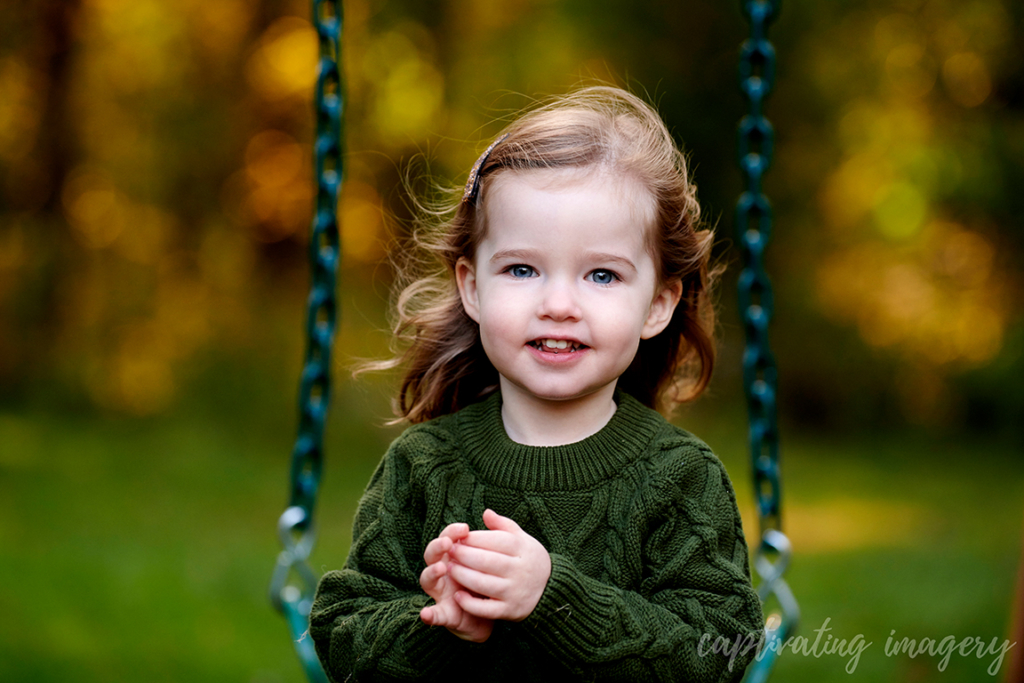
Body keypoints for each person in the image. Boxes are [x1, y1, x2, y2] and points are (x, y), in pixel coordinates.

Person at [310, 86, 764, 682]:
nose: (558, 304)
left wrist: (552, 598)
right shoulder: (423, 466)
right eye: (522, 269)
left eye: (601, 274)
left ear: (657, 304)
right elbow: (343, 633)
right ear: (472, 286)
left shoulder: (679, 477)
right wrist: (445, 624)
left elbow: (720, 652)